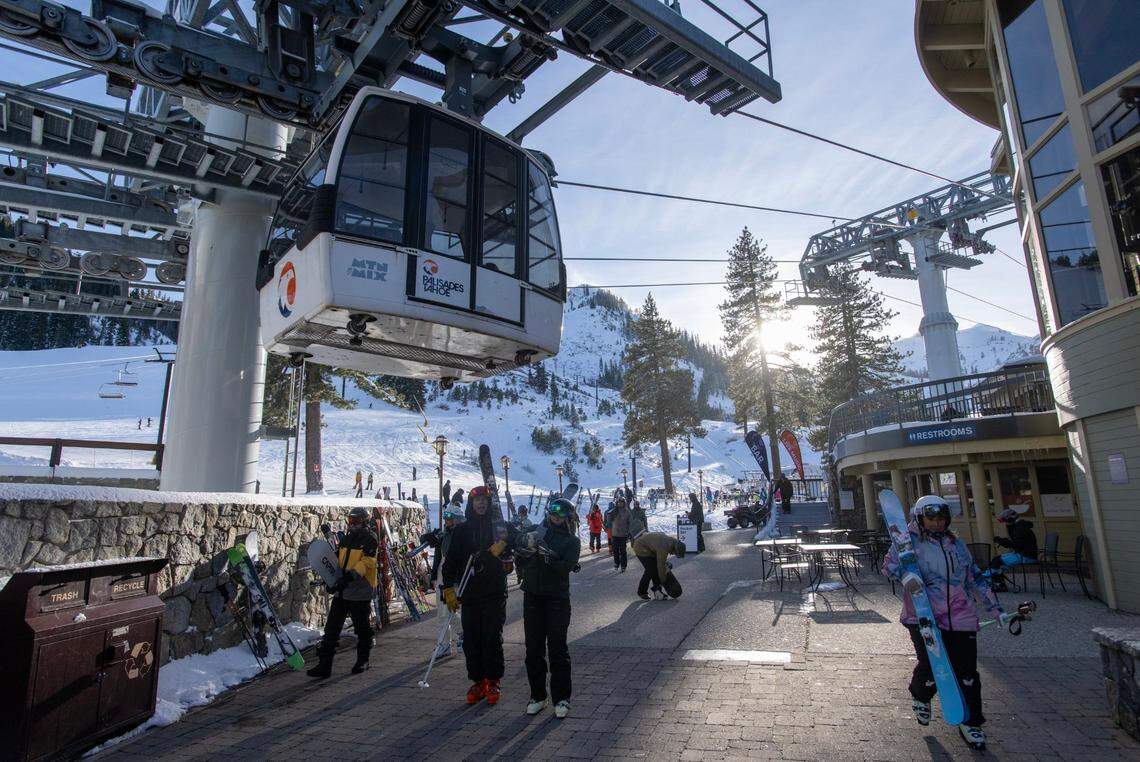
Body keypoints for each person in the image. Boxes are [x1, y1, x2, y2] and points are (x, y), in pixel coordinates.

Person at [881, 495, 1015, 750]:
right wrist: (906, 576)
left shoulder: (956, 545)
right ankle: (921, 695)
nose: (936, 523)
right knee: (931, 665)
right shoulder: (907, 543)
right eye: (931, 519)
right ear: (921, 518)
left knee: (967, 672)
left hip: (961, 615)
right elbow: (889, 566)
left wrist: (994, 608)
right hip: (923, 615)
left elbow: (975, 577)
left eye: (941, 519)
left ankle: (972, 721)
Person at [442, 485, 513, 706]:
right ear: (471, 504)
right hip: (470, 592)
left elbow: (514, 549)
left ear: (489, 503)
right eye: (477, 501)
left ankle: (493, 679)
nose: (481, 504)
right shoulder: (463, 530)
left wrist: (505, 549)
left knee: (491, 637)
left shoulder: (499, 527)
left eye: (484, 500)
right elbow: (451, 560)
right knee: (472, 639)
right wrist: (448, 588)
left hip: (493, 591)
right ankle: (478, 680)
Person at [517, 497, 581, 719]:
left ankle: (561, 698)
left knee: (557, 648)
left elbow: (566, 567)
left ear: (568, 517)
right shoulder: (537, 531)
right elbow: (521, 552)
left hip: (557, 599)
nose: (555, 516)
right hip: (533, 596)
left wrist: (547, 556)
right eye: (553, 512)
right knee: (533, 648)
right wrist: (524, 547)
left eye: (561, 513)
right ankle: (538, 695)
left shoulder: (572, 541)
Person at [307, 506, 378, 678]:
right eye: (350, 521)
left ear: (364, 522)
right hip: (343, 590)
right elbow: (338, 560)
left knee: (361, 627)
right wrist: (333, 580)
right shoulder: (346, 539)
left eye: (355, 522)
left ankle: (363, 660)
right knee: (332, 628)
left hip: (360, 590)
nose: (352, 525)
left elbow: (367, 562)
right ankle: (325, 665)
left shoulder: (370, 539)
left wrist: (351, 576)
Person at [985, 507, 1038, 591]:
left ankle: (989, 580)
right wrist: (1003, 541)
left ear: (1010, 520)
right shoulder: (1019, 527)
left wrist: (1002, 541)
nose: (1005, 524)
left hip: (1026, 556)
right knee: (997, 560)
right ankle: (997, 583)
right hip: (1024, 553)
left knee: (997, 561)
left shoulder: (1019, 529)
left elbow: (1016, 544)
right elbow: (1016, 542)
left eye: (1005, 521)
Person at [632, 531, 686, 599]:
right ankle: (648, 592)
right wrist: (664, 581)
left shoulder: (670, 541)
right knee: (652, 570)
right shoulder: (663, 547)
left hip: (649, 549)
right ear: (674, 548)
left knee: (652, 570)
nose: (672, 554)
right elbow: (661, 566)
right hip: (640, 548)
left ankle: (652, 591)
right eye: (674, 553)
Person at [609, 494, 632, 572]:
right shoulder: (614, 511)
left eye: (622, 502)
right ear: (617, 502)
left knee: (623, 551)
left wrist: (629, 532)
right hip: (615, 534)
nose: (620, 503)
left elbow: (630, 522)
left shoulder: (627, 511)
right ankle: (616, 563)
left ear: (624, 503)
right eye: (619, 502)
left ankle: (623, 565)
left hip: (623, 534)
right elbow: (609, 520)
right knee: (615, 550)